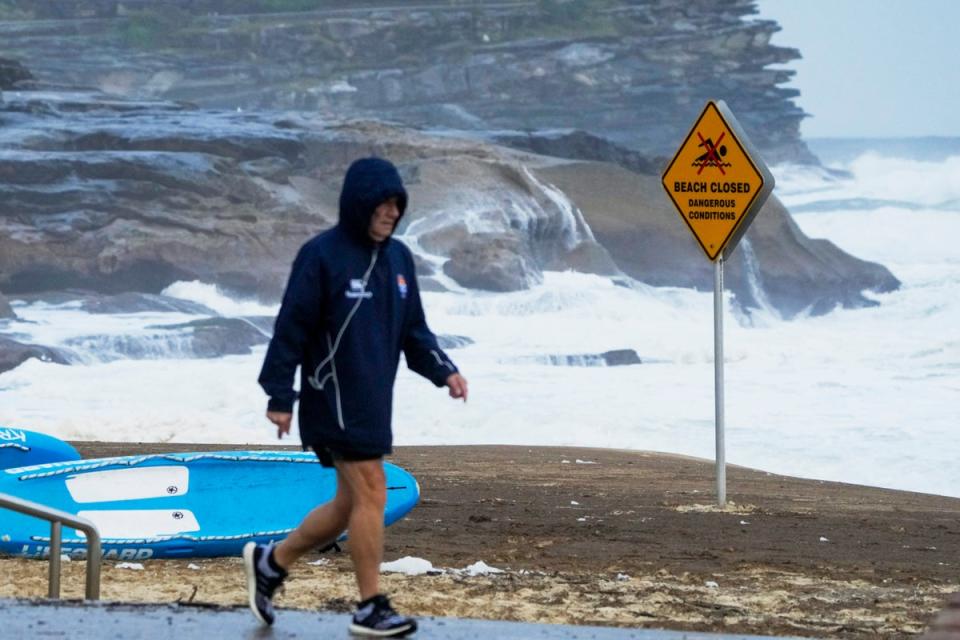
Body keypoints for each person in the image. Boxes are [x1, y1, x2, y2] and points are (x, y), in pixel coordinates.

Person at [243, 157, 468, 637]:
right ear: (359, 203)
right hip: (330, 396)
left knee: (349, 505)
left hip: (371, 400)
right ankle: (369, 607)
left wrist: (444, 370)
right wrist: (280, 394)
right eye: (382, 203)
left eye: (396, 204)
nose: (390, 212)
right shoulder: (322, 255)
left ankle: (271, 563)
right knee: (372, 489)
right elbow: (291, 327)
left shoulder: (400, 260)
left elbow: (414, 332)